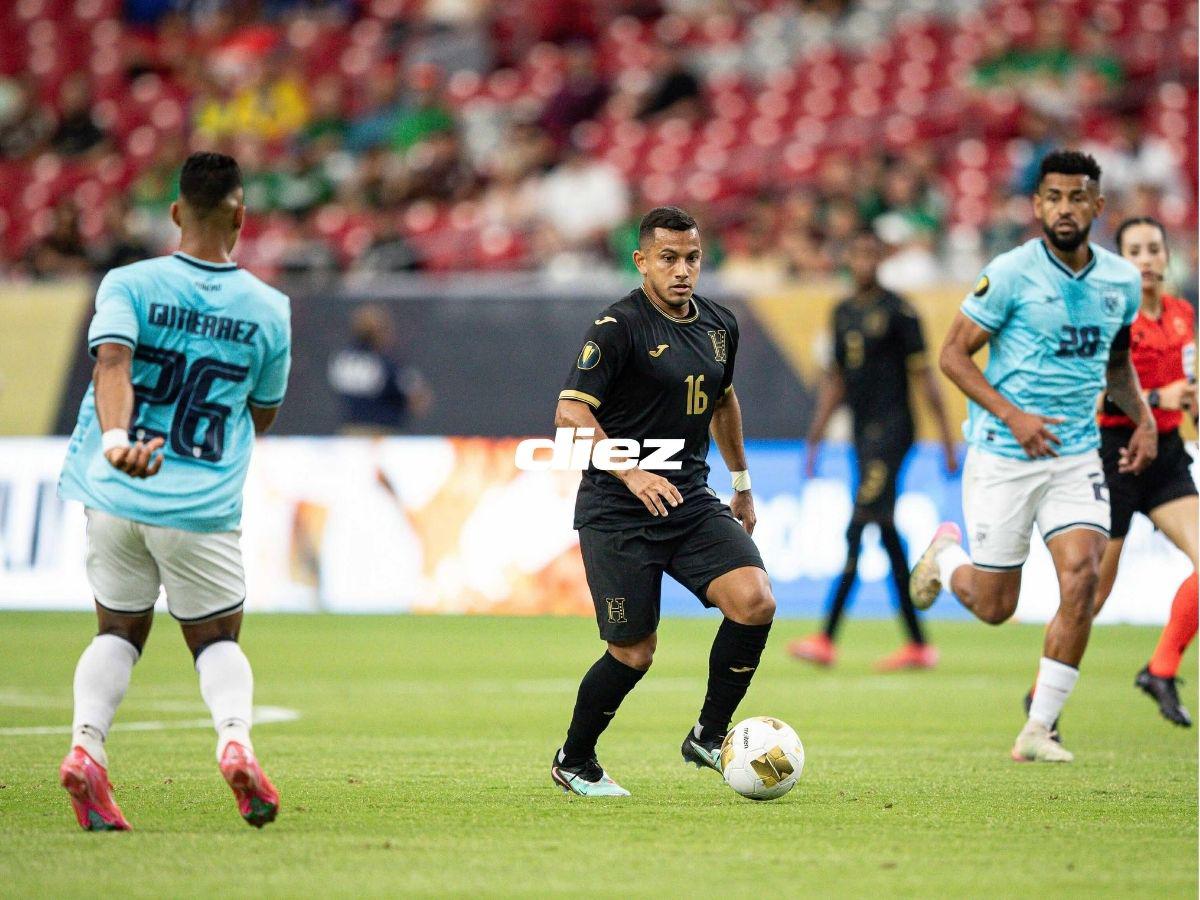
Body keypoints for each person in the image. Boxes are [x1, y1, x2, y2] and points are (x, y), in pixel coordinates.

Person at [56, 152, 291, 830]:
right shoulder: (269, 308)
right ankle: (236, 742)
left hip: (115, 487)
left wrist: (116, 440)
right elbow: (263, 412)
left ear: (176, 213)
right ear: (240, 215)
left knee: (119, 629)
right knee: (216, 638)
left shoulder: (127, 282)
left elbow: (112, 362)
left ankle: (87, 750)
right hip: (199, 503)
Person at [909, 150, 1156, 763]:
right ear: (1037, 204)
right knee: (997, 609)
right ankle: (947, 556)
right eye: (1053, 198)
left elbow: (1117, 363)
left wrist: (1144, 419)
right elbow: (953, 356)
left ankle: (1038, 728)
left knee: (1083, 576)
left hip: (1075, 454)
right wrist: (1013, 416)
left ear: (1098, 207)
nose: (1065, 209)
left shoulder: (1120, 282)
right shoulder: (1011, 273)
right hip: (1003, 454)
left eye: (1077, 198)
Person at [550, 206, 773, 796]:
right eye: (668, 258)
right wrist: (633, 474)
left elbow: (723, 400)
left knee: (754, 601)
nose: (682, 271)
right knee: (633, 653)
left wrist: (743, 482)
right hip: (618, 510)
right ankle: (575, 759)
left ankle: (709, 733)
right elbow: (571, 416)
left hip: (690, 498)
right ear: (641, 260)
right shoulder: (617, 327)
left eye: (692, 258)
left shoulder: (720, 324)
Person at [788, 230, 958, 671]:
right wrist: (816, 437)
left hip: (895, 431)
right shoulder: (842, 313)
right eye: (856, 252)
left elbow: (925, 380)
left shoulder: (899, 312)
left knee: (859, 523)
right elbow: (836, 382)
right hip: (863, 436)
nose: (863, 260)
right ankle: (919, 645)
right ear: (848, 258)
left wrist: (945, 438)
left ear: (880, 258)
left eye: (870, 253)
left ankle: (826, 637)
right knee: (883, 529)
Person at [1053, 217, 1195, 726]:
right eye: (1135, 249)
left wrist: (1190, 403)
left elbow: (1189, 385)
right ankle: (1041, 699)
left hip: (1168, 456)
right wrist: (1157, 398)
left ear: (1166, 255)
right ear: (1121, 261)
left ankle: (1160, 669)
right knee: (1092, 593)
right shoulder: (1108, 317)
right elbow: (1094, 393)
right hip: (1114, 453)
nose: (1148, 258)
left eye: (1154, 248)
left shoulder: (1182, 315)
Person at [327, 304, 432, 433]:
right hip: (381, 436)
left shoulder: (341, 359)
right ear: (379, 333)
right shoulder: (386, 365)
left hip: (350, 433)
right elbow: (416, 400)